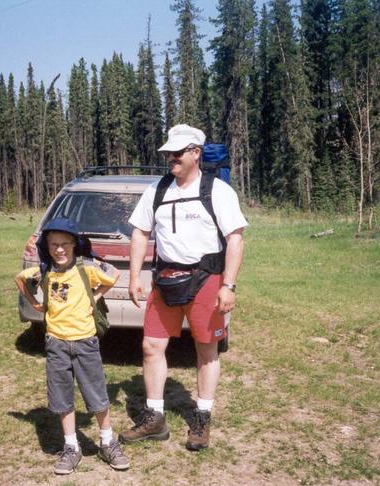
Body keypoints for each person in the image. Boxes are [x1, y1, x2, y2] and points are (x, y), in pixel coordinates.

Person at [120, 124, 247, 451]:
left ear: (195, 153)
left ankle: (202, 418)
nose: (170, 158)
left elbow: (235, 239)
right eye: (167, 153)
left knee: (206, 349)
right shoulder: (157, 190)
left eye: (177, 152)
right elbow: (139, 233)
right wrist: (135, 276)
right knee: (151, 346)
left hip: (207, 279)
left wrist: (229, 285)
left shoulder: (217, 191)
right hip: (165, 279)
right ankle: (155, 417)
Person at [14, 218, 130, 475]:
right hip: (56, 343)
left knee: (97, 393)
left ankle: (107, 441)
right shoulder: (44, 271)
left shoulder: (85, 268)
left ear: (75, 245)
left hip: (86, 342)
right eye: (54, 244)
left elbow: (114, 275)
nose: (59, 250)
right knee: (61, 395)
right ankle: (71, 446)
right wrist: (35, 304)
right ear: (47, 246)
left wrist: (94, 296)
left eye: (65, 244)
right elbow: (20, 279)